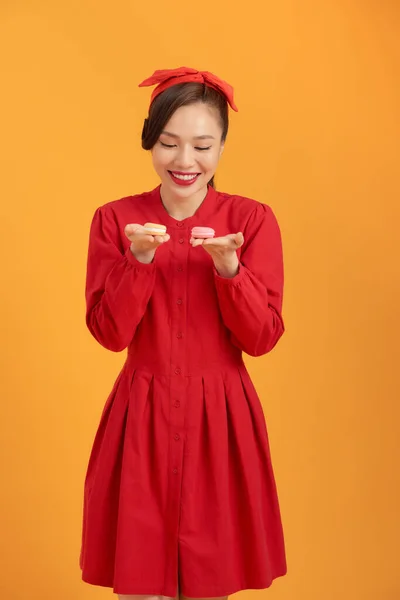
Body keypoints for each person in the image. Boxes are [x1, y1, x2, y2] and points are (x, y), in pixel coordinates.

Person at [80, 66, 287, 600]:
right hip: (140, 421)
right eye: (169, 143)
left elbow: (262, 338)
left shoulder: (253, 220)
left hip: (220, 422)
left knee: (209, 582)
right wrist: (140, 260)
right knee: (140, 583)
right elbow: (109, 333)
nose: (185, 161)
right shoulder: (115, 220)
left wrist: (230, 272)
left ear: (222, 147)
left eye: (202, 145)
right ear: (151, 141)